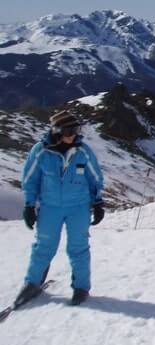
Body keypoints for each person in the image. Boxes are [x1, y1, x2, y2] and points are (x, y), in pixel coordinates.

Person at [16, 110, 104, 306]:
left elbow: (95, 177)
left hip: (78, 208)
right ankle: (32, 283)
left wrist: (97, 202)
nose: (73, 134)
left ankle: (81, 287)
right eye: (68, 130)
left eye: (76, 129)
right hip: (50, 207)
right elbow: (30, 180)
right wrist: (30, 205)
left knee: (78, 248)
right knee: (43, 246)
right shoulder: (40, 151)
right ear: (57, 131)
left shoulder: (82, 151)